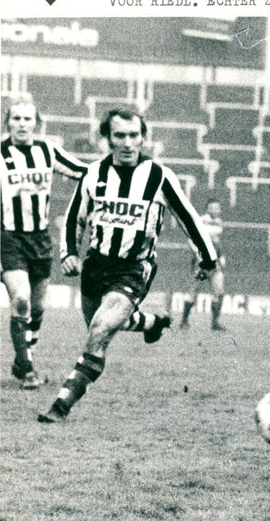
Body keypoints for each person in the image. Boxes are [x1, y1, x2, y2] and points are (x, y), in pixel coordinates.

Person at [38, 109, 217, 422]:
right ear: (107, 139)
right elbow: (74, 217)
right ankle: (151, 323)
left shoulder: (158, 176)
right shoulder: (93, 174)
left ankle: (62, 403)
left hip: (134, 268)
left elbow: (187, 217)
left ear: (143, 138)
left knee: (100, 330)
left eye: (134, 135)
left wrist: (207, 258)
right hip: (96, 266)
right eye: (119, 135)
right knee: (104, 325)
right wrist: (69, 253)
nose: (127, 142)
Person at [0, 96, 88, 390]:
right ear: (8, 122)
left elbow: (81, 172)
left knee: (37, 308)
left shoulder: (47, 151)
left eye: (28, 119)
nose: (22, 124)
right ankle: (27, 370)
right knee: (21, 299)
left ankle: (25, 358)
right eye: (16, 119)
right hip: (8, 238)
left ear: (36, 123)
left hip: (40, 239)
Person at [179, 198, 227, 331]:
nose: (215, 210)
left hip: (215, 262)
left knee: (219, 291)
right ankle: (184, 321)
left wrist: (221, 256)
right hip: (202, 262)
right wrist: (197, 254)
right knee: (193, 290)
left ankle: (215, 323)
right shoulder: (201, 221)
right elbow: (192, 238)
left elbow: (216, 241)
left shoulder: (218, 222)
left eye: (217, 208)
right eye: (212, 207)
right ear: (207, 209)